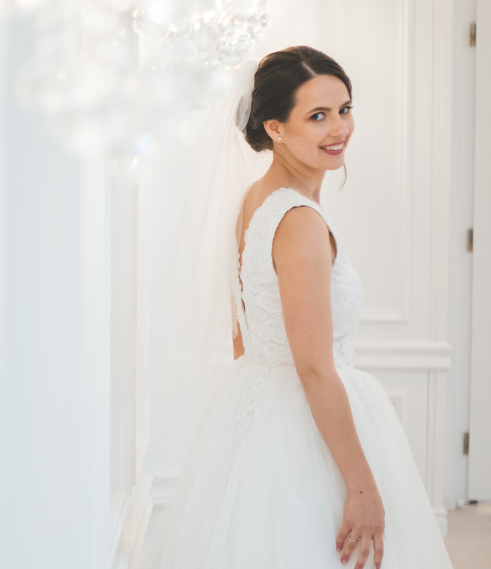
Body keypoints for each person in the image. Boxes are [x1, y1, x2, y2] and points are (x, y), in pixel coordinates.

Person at [144, 46, 453, 569]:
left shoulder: (255, 200)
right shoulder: (299, 221)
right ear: (276, 128)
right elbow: (312, 365)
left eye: (344, 109)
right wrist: (359, 487)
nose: (339, 128)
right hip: (302, 420)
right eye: (317, 116)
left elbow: (244, 334)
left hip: (258, 406)